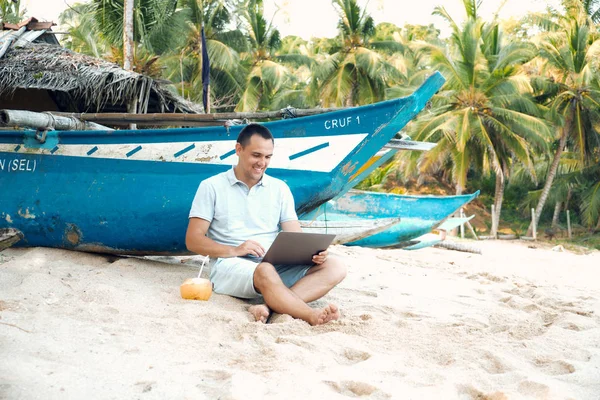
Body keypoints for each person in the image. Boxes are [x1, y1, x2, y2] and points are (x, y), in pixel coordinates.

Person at [186, 123, 346, 325]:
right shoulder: (211, 187)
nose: (262, 162)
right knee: (265, 271)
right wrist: (236, 249)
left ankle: (269, 306)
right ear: (238, 150)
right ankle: (309, 315)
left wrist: (313, 254)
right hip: (230, 266)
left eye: (267, 157)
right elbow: (193, 240)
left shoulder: (279, 189)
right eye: (256, 155)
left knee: (335, 265)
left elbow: (295, 236)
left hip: (272, 263)